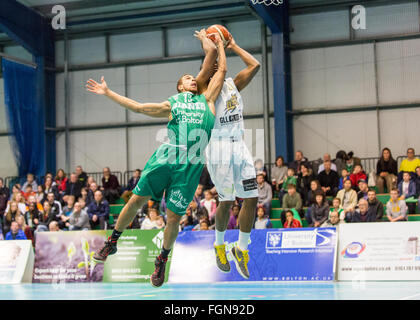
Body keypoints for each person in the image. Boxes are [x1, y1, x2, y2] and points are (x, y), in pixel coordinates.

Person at [87, 31, 226, 288]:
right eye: (186, 78)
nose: (191, 79)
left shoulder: (205, 99)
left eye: (192, 77)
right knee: (137, 199)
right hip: (166, 156)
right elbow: (138, 107)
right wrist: (108, 93)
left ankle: (162, 259)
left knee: (173, 218)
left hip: (191, 165)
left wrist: (212, 42)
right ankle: (113, 241)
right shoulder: (173, 103)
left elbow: (213, 62)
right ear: (180, 87)